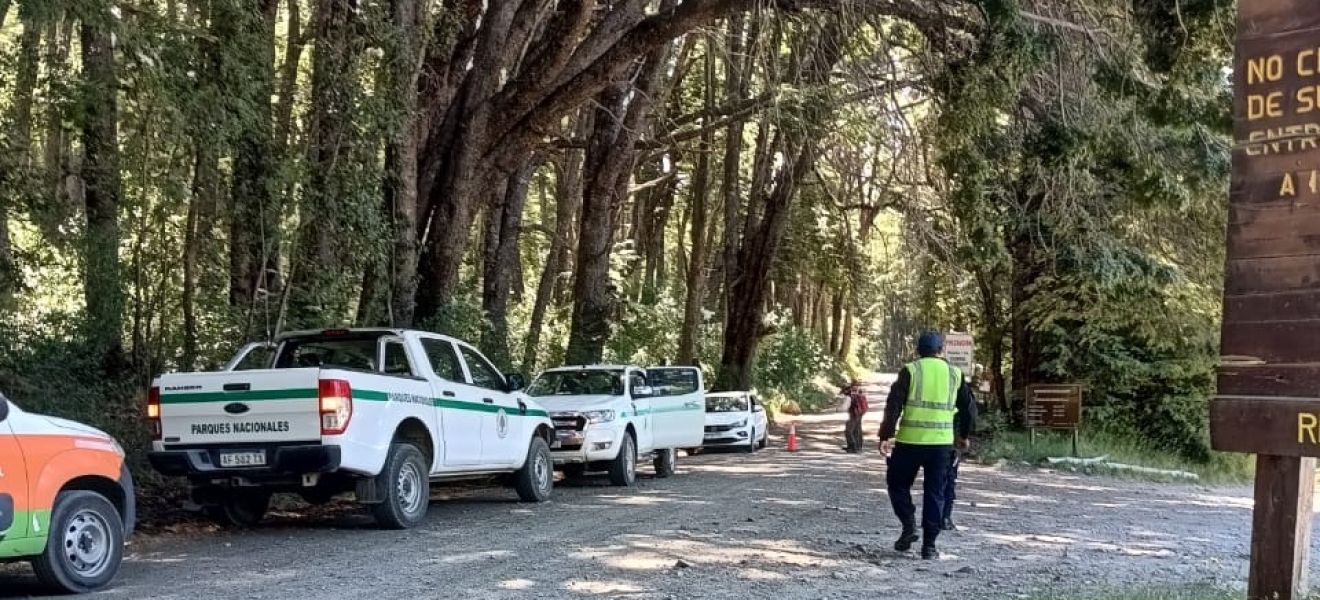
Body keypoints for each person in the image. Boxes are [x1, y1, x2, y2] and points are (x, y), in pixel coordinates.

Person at [878, 331, 976, 559]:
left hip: (909, 442)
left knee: (897, 485)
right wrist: (963, 435)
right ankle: (929, 547)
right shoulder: (954, 373)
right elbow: (968, 408)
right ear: (941, 349)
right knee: (935, 493)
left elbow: (893, 405)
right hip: (941, 445)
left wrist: (885, 435)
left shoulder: (910, 370)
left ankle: (909, 524)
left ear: (918, 350)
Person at [838, 378, 868, 453]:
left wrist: (837, 409)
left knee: (848, 431)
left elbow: (844, 407)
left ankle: (852, 447)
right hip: (860, 413)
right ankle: (859, 447)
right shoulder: (858, 393)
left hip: (854, 414)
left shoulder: (849, 397)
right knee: (857, 430)